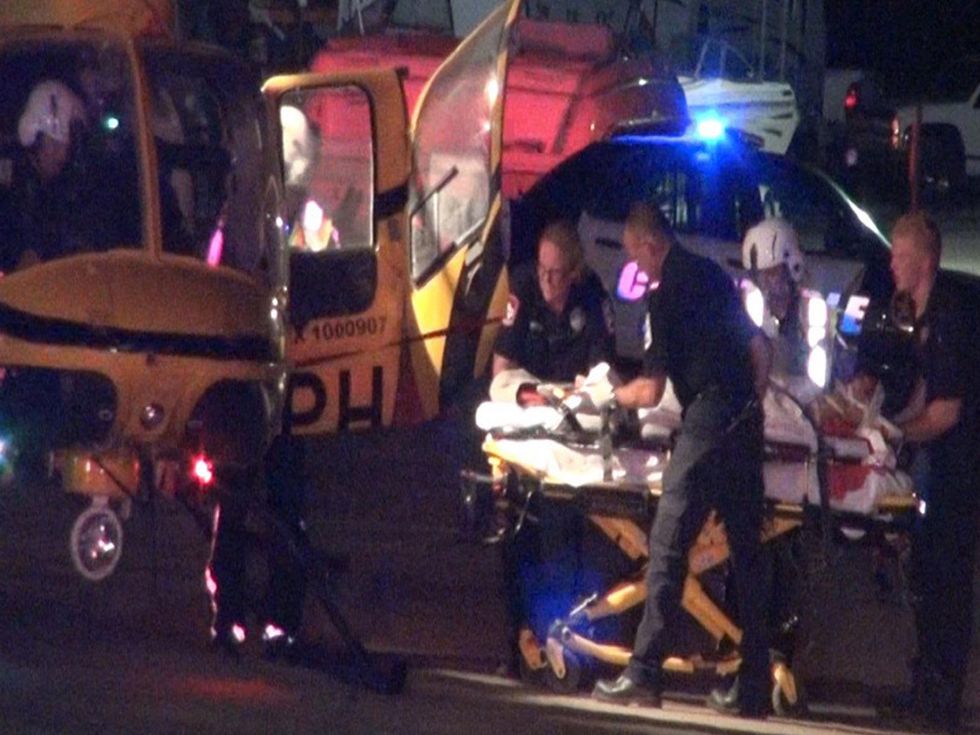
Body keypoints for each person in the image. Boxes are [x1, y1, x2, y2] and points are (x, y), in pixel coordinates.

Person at [591, 202, 772, 717]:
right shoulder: (713, 275)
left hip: (708, 422)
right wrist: (750, 405)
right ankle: (753, 687)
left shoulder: (665, 294)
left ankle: (644, 673)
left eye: (635, 256)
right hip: (743, 421)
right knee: (748, 557)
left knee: (667, 544)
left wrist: (609, 395)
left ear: (651, 245)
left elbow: (650, 391)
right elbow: (760, 349)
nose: (636, 267)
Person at [491, 220, 615, 674]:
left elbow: (602, 377)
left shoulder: (592, 297)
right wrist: (536, 396)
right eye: (543, 270)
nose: (546, 281)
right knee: (515, 535)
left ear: (575, 272)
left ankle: (568, 638)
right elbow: (501, 371)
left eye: (556, 273)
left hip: (569, 435)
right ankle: (521, 639)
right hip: (529, 419)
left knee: (564, 535)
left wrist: (577, 393)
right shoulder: (523, 287)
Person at [874, 211, 978, 732]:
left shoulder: (951, 318)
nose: (892, 264)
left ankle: (941, 700)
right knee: (926, 574)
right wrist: (884, 423)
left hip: (962, 467)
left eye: (900, 256)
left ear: (925, 261)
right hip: (940, 463)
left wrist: (896, 436)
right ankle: (925, 688)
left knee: (946, 579)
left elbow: (947, 411)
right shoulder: (920, 314)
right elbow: (923, 393)